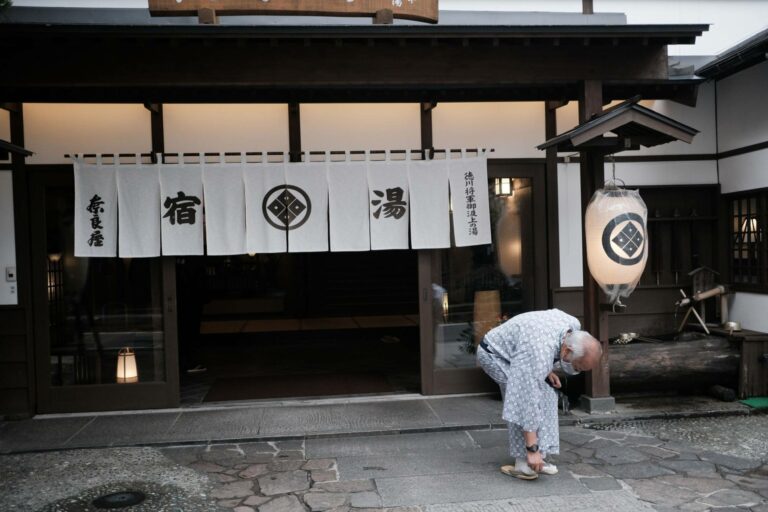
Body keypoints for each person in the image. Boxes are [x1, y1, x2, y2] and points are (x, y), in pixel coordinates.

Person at [476, 308, 603, 480]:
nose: (575, 370)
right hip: (495, 354)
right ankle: (525, 461)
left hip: (522, 353)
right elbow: (527, 398)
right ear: (567, 351)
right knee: (518, 400)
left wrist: (546, 370)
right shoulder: (538, 350)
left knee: (549, 396)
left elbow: (541, 357)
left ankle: (539, 458)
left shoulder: (573, 325)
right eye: (577, 366)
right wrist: (531, 447)